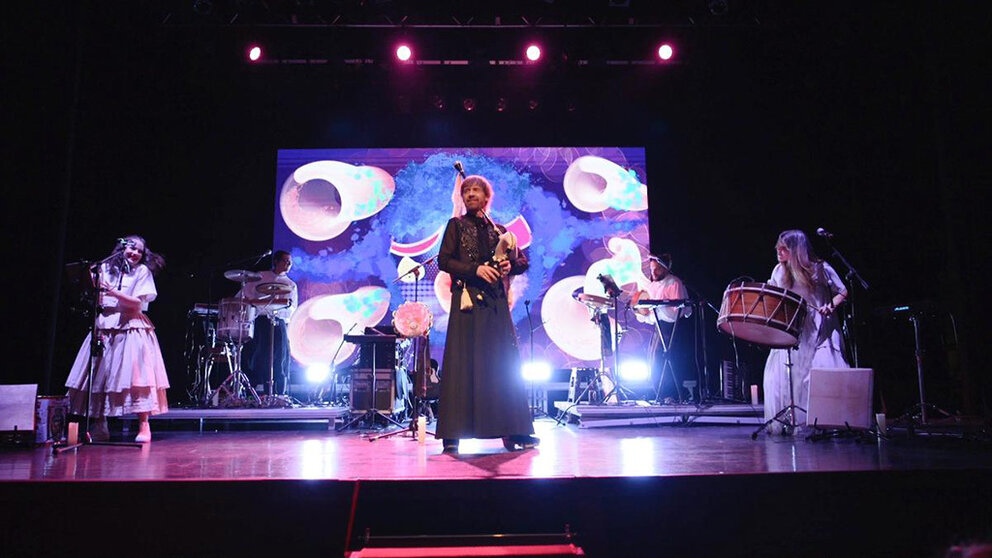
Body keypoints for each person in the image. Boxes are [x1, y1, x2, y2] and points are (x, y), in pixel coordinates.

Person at [435, 175, 537, 453]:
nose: (469, 195)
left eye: (475, 190)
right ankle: (452, 436)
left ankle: (513, 430)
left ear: (486, 197)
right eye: (466, 191)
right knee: (461, 362)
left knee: (502, 363)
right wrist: (475, 270)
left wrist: (509, 266)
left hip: (494, 303)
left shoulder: (499, 230)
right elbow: (443, 260)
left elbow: (522, 262)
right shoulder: (455, 225)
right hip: (467, 301)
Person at [65, 235, 169, 442]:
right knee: (100, 376)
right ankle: (100, 424)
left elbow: (135, 305)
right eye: (131, 248)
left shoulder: (142, 272)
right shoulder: (104, 269)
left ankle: (144, 425)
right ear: (120, 249)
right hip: (104, 325)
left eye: (140, 251)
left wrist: (111, 291)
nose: (135, 253)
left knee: (137, 377)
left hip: (131, 325)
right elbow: (95, 296)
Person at [762, 229, 849, 433]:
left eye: (784, 248)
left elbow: (842, 291)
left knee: (821, 371)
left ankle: (826, 423)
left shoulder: (820, 268)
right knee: (782, 375)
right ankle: (791, 421)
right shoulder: (779, 271)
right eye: (778, 247)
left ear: (797, 250)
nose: (778, 251)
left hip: (819, 327)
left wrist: (831, 305)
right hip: (793, 327)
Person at [633, 254, 692, 402]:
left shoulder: (674, 282)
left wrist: (656, 307)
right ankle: (659, 393)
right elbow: (649, 312)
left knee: (665, 359)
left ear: (665, 268)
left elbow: (675, 312)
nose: (654, 273)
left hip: (670, 328)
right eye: (652, 269)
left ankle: (671, 394)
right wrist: (641, 311)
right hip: (658, 327)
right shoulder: (653, 285)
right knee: (653, 360)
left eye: (657, 269)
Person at [240, 250, 297, 396]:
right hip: (260, 320)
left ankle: (278, 392)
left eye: (290, 262)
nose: (288, 264)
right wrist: (256, 304)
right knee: (258, 354)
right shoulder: (261, 276)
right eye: (285, 260)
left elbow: (291, 309)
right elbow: (245, 296)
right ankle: (254, 389)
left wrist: (276, 306)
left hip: (279, 322)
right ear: (276, 261)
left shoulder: (290, 284)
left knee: (280, 356)